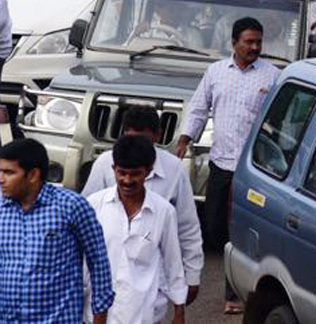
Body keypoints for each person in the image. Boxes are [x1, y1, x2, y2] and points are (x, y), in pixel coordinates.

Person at [175, 18, 279, 315]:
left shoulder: (272, 76)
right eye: (249, 42)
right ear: (234, 42)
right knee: (215, 226)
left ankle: (236, 293)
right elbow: (198, 108)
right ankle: (231, 278)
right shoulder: (216, 72)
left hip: (255, 169)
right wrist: (185, 139)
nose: (255, 47)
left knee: (244, 230)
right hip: (221, 163)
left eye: (258, 42)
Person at [81, 106, 202, 305]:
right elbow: (84, 219)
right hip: (106, 274)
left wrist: (192, 276)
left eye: (142, 139)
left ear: (157, 136)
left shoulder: (174, 170)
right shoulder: (104, 163)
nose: (127, 180)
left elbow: (187, 227)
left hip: (151, 284)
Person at [0, 138, 114, 324]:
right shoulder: (1, 208)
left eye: (9, 172)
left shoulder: (71, 206)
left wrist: (99, 316)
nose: (1, 179)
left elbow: (98, 262)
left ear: (33, 175)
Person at [87, 135, 187, 324]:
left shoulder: (164, 212)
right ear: (113, 169)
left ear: (148, 172)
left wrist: (179, 313)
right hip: (97, 315)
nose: (127, 180)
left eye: (135, 174)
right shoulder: (94, 206)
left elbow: (173, 264)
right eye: (121, 173)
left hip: (143, 314)